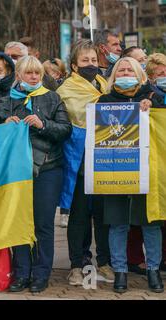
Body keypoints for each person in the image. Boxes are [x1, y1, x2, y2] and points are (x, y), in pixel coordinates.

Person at [97, 57, 164, 294]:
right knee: (118, 224)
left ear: (141, 74)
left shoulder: (155, 96)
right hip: (117, 170)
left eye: (130, 69)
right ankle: (120, 271)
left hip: (148, 171)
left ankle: (154, 270)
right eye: (121, 70)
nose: (126, 73)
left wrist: (151, 105)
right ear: (114, 76)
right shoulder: (104, 101)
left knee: (151, 223)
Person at [8, 56, 71, 293]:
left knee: (43, 224)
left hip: (48, 167)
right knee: (20, 224)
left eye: (37, 73)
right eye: (29, 73)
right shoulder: (9, 99)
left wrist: (42, 124)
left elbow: (66, 130)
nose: (34, 77)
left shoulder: (53, 97)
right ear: (19, 75)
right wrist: (5, 122)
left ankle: (41, 274)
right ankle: (21, 273)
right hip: (16, 170)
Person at [56, 39, 114, 286]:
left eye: (93, 60)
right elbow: (79, 116)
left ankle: (104, 262)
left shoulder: (104, 84)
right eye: (85, 61)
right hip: (79, 160)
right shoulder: (67, 89)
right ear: (74, 65)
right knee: (79, 216)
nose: (90, 64)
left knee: (103, 215)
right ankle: (77, 265)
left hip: (106, 158)